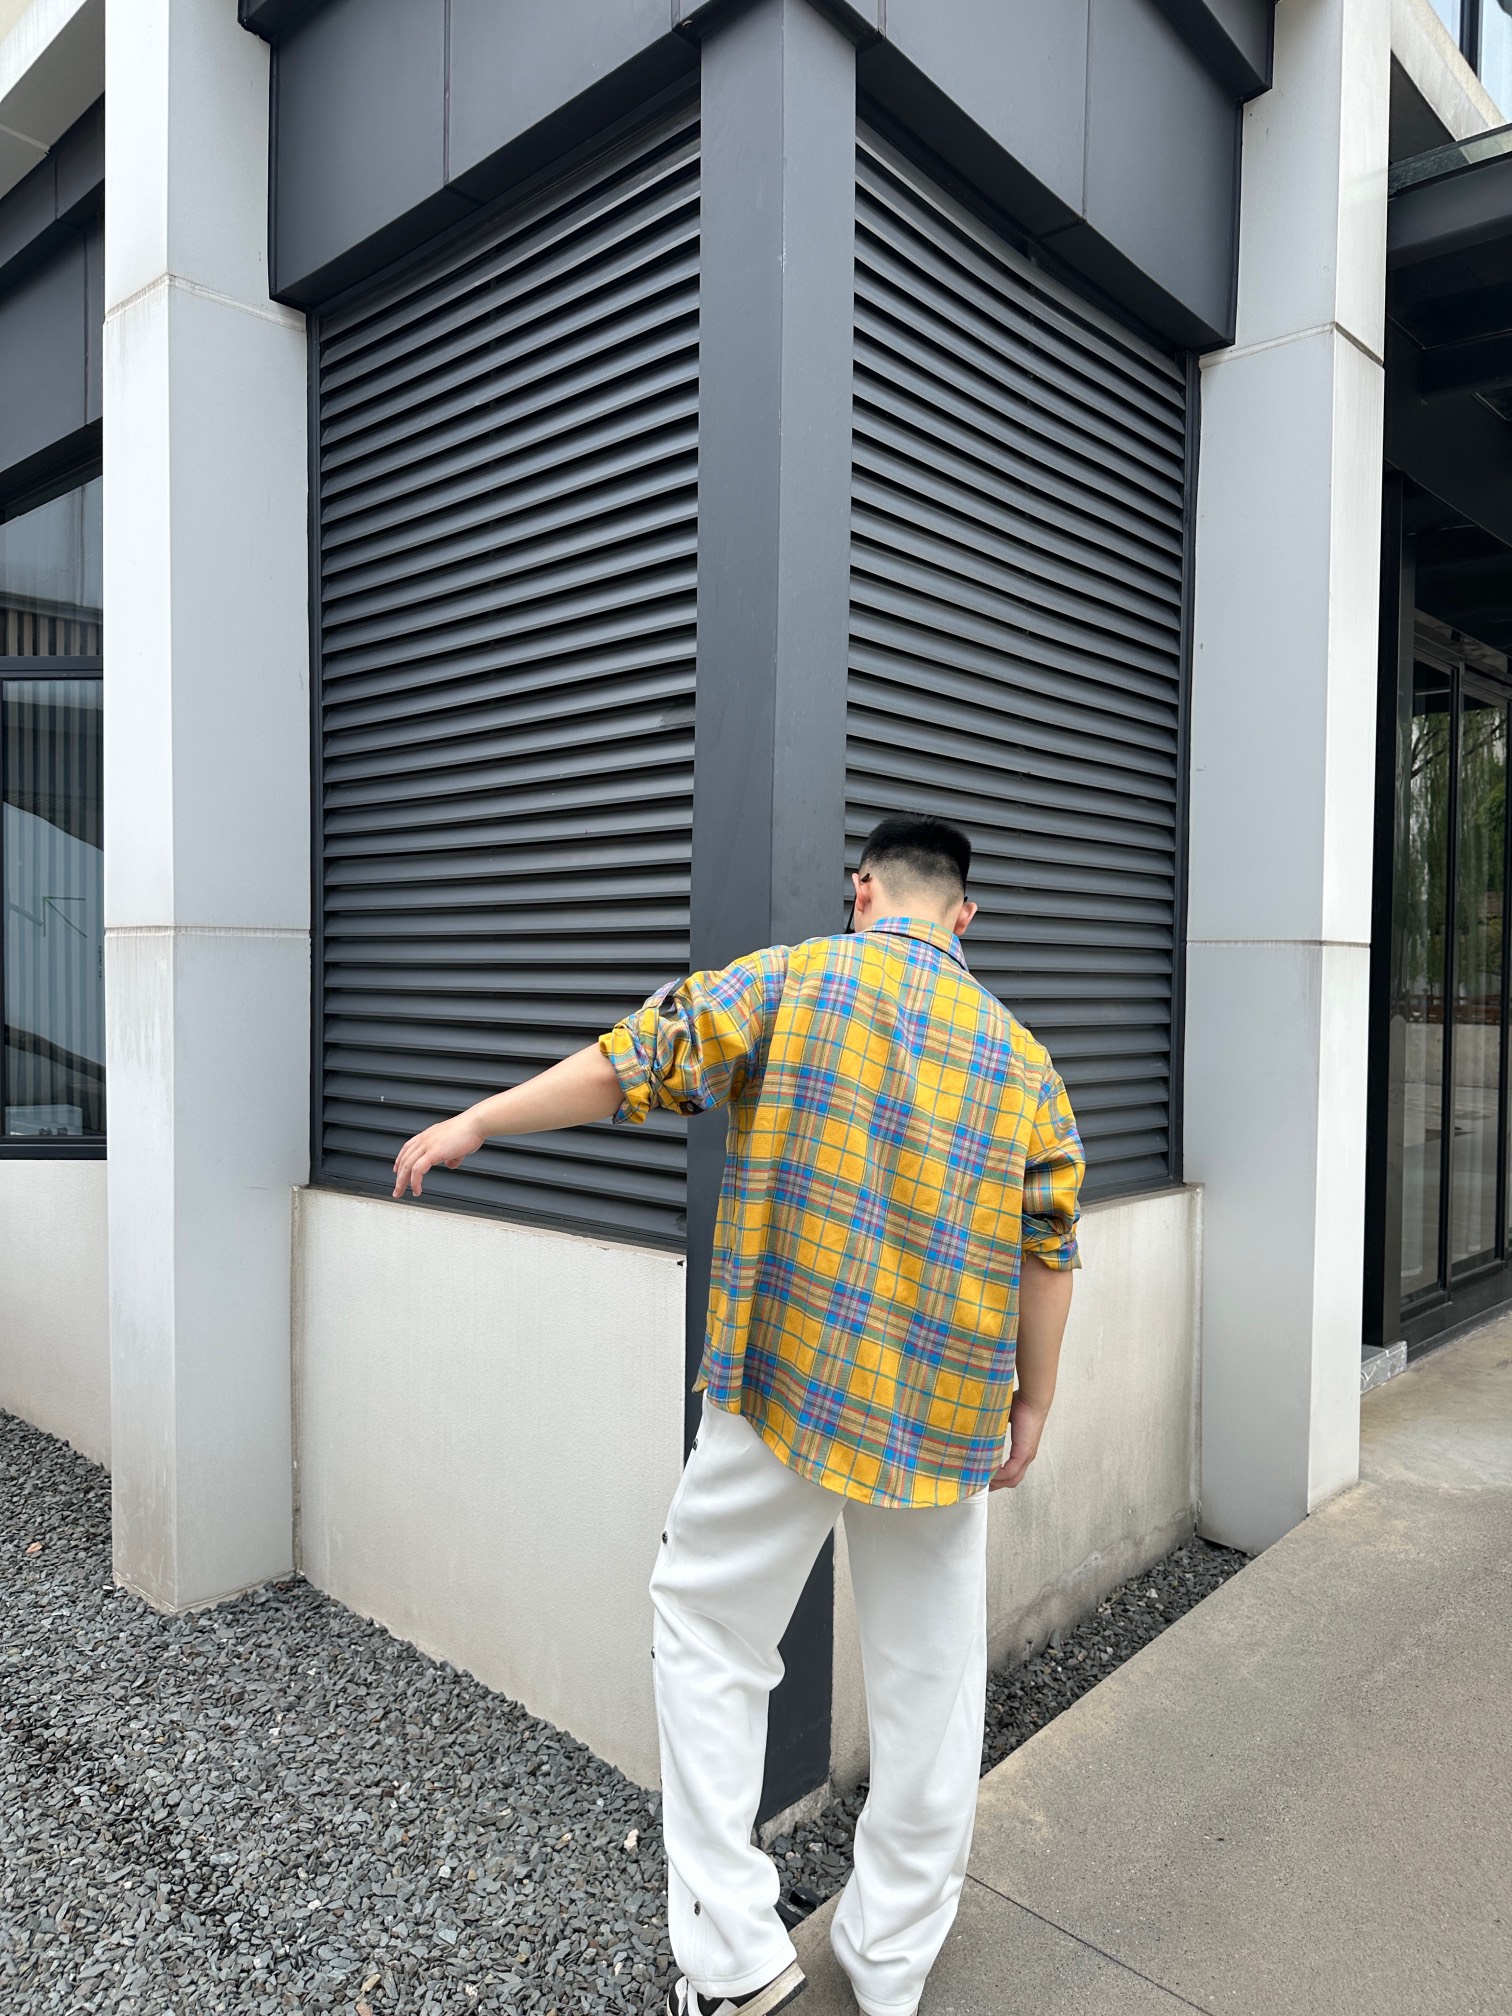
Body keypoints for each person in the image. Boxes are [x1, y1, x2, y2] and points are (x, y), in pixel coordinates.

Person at [392, 812, 1084, 2016]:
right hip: (940, 1412)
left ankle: (736, 1964)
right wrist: (1035, 1400)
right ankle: (892, 1963)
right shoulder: (1022, 1059)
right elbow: (1049, 1246)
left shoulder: (790, 982)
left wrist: (479, 1121)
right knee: (931, 1684)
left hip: (787, 1383)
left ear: (863, 892)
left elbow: (635, 1060)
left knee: (710, 1631)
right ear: (963, 916)